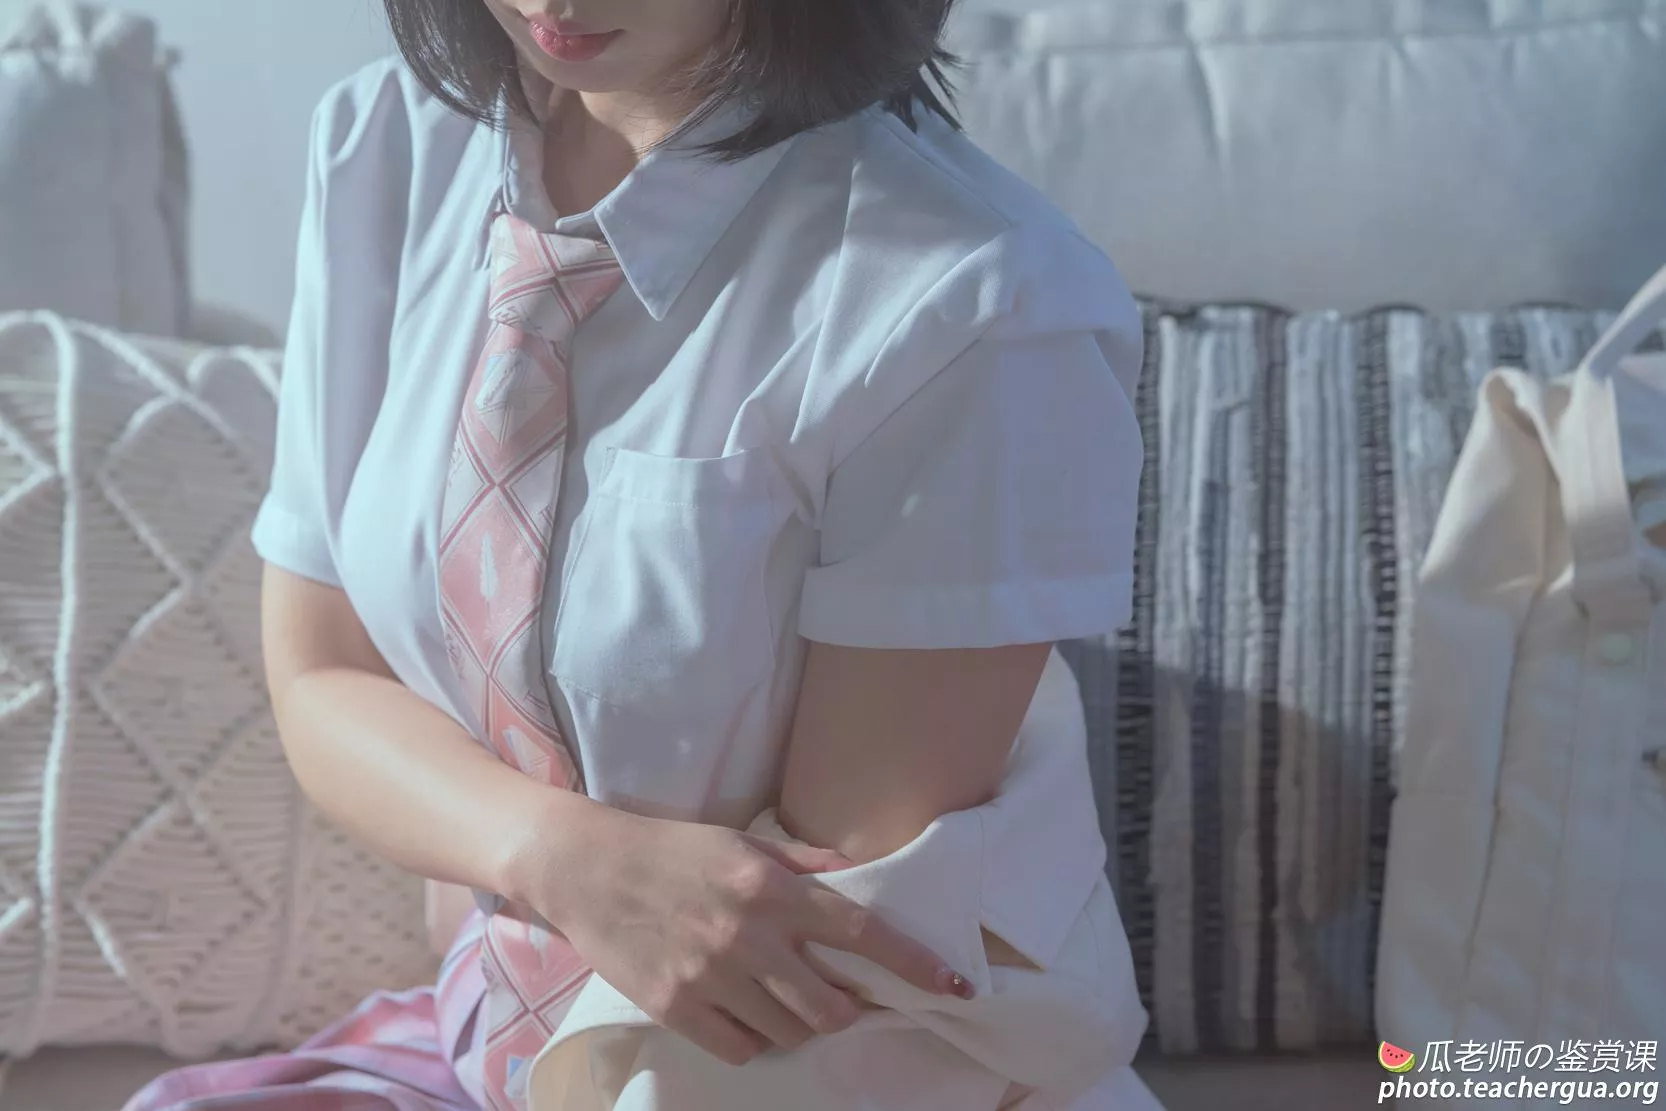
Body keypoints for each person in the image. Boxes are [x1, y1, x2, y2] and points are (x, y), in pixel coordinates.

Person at [125, 1, 1148, 1108]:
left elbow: (815, 937)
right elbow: (323, 673)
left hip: (805, 1075)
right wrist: (563, 855)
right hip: (481, 1044)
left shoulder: (978, 303)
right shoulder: (388, 143)